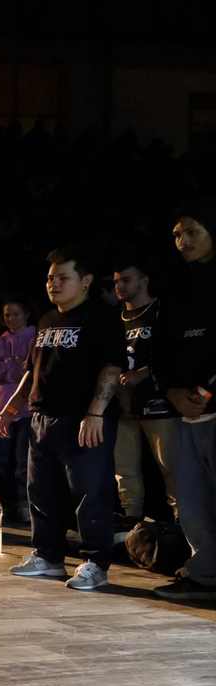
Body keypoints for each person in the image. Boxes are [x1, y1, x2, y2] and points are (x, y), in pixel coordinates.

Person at [0, 247, 125, 591]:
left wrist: (95, 412)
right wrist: (10, 409)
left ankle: (96, 563)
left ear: (86, 281)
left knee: (90, 492)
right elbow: (30, 371)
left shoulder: (101, 317)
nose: (53, 283)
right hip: (41, 418)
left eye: (63, 277)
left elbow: (112, 368)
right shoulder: (48, 320)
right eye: (50, 277)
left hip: (82, 419)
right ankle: (49, 557)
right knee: (42, 490)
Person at [152, 202, 216, 601]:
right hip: (184, 412)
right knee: (191, 501)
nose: (183, 241)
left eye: (192, 231)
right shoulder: (176, 285)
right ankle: (206, 577)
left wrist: (207, 393)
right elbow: (160, 349)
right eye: (177, 235)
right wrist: (172, 392)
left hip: (211, 405)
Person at [112, 257, 178, 522]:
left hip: (159, 402)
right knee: (124, 469)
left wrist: (146, 372)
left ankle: (181, 524)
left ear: (144, 280)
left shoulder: (162, 311)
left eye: (126, 280)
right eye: (116, 281)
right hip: (123, 404)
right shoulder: (115, 319)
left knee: (170, 467)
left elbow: (176, 353)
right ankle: (132, 524)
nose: (119, 286)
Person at [0, 299, 36, 523]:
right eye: (7, 315)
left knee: (24, 459)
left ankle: (24, 502)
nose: (10, 319)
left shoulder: (34, 338)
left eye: (15, 314)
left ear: (26, 314)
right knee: (1, 460)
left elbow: (28, 374)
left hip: (26, 408)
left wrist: (4, 368)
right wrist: (12, 363)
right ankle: (8, 502)